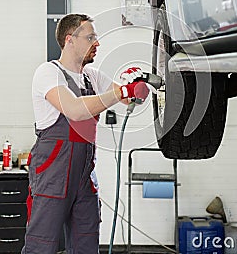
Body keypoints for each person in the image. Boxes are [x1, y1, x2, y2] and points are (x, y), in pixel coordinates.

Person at [21, 13, 149, 254]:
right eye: (90, 37)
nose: (97, 43)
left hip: (85, 176)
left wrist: (136, 86)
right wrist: (120, 92)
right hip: (52, 174)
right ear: (70, 40)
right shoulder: (48, 73)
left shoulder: (92, 76)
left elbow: (129, 99)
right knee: (42, 245)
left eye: (96, 38)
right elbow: (75, 110)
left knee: (86, 244)